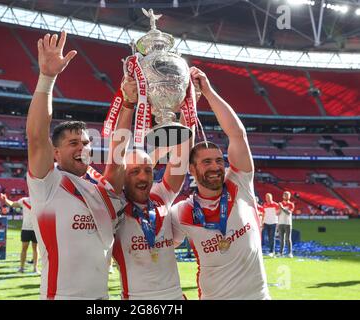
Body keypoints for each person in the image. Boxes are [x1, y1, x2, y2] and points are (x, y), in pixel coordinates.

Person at [26, 31, 125, 299]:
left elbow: (118, 161)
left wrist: (128, 102)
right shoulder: (48, 184)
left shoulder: (102, 189)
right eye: (72, 143)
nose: (81, 147)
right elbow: (37, 137)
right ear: (55, 153)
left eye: (85, 142)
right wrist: (47, 78)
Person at [171, 66, 270, 300]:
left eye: (218, 160)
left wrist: (208, 92)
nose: (215, 166)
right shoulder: (182, 212)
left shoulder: (240, 184)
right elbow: (159, 250)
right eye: (206, 162)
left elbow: (237, 135)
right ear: (191, 169)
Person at [105, 75, 194, 299]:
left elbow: (181, 159)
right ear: (123, 176)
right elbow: (116, 157)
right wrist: (127, 103)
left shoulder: (161, 196)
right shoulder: (113, 207)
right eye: (134, 171)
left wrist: (185, 110)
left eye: (147, 170)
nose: (143, 176)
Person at [0, 194, 39, 273]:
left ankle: (35, 268)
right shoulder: (24, 200)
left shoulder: (40, 200)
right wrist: (5, 199)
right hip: (26, 228)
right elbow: (13, 204)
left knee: (35, 249)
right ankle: (21, 267)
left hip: (36, 228)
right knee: (24, 248)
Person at [262, 193, 280, 257]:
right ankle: (263, 250)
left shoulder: (275, 204)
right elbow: (263, 214)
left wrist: (278, 222)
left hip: (273, 223)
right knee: (263, 237)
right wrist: (262, 222)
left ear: (271, 198)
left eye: (269, 197)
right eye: (266, 197)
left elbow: (278, 213)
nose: (267, 198)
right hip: (266, 222)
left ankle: (272, 251)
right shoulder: (264, 205)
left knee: (272, 237)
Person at [278, 191, 295, 258]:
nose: (286, 196)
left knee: (288, 239)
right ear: (283, 196)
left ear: (289, 197)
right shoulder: (280, 204)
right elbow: (277, 213)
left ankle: (290, 253)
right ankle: (280, 253)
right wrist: (279, 209)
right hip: (280, 223)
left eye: (287, 195)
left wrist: (282, 208)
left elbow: (288, 213)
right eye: (285, 195)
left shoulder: (291, 204)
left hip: (288, 223)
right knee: (281, 239)